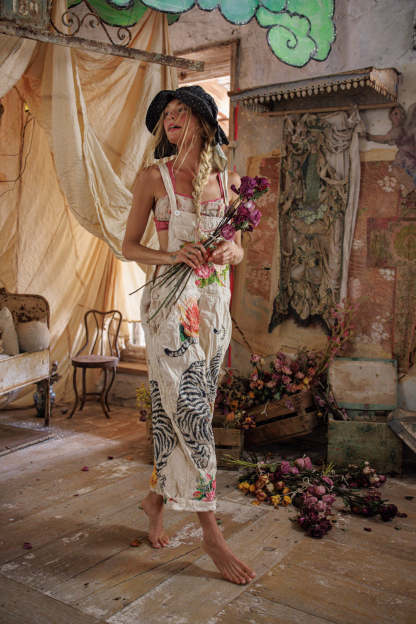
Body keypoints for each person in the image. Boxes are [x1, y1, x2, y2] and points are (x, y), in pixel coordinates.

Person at [122, 85, 256, 585]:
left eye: (182, 111)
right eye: (167, 113)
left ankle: (155, 500)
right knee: (191, 413)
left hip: (213, 307)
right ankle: (210, 532)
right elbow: (129, 246)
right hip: (170, 308)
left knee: (178, 413)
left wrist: (231, 253)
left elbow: (239, 250)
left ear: (202, 120)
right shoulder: (152, 178)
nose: (172, 118)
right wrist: (172, 255)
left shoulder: (229, 182)